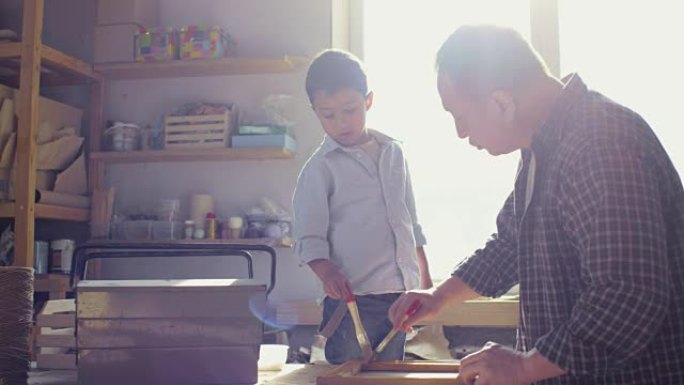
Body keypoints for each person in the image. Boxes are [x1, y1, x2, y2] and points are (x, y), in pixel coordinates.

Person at [389, 25, 684, 385]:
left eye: (460, 117)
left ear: (502, 103)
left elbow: (627, 294)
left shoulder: (599, 143)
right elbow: (513, 244)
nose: (461, 133)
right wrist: (438, 296)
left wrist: (524, 366)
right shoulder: (542, 147)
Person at [293, 49, 433, 364]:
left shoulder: (394, 152)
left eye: (350, 110)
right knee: (350, 373)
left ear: (368, 101)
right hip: (353, 299)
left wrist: (424, 279)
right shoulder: (319, 169)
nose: (341, 122)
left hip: (400, 294)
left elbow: (409, 221)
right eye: (328, 115)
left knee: (390, 372)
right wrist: (326, 271)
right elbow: (307, 236)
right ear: (314, 111)